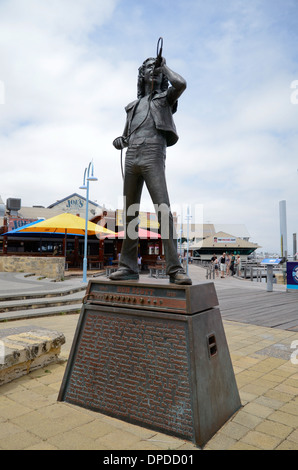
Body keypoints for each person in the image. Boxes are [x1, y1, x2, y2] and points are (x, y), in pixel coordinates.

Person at [109, 54, 191, 285]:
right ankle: (127, 267)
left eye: (155, 69)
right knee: (130, 213)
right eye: (148, 68)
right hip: (132, 154)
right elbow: (126, 135)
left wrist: (164, 66)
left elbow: (181, 84)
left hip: (154, 152)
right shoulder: (132, 106)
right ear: (141, 75)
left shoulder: (165, 98)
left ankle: (174, 269)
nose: (152, 71)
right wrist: (120, 141)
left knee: (163, 210)